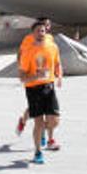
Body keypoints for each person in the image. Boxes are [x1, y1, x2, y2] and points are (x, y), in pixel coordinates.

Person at [18, 20, 62, 164]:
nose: (41, 33)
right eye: (38, 31)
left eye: (43, 30)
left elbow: (57, 63)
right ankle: (38, 152)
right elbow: (22, 77)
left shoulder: (52, 46)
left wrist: (59, 76)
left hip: (49, 87)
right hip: (33, 89)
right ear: (32, 33)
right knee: (38, 122)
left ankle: (44, 132)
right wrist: (35, 76)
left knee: (54, 121)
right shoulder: (28, 51)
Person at [15, 17, 55, 141]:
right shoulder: (28, 39)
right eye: (45, 25)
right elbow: (21, 53)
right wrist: (21, 68)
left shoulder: (49, 38)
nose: (47, 28)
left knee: (49, 113)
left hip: (47, 80)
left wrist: (57, 72)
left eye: (48, 26)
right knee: (33, 109)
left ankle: (48, 137)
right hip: (33, 79)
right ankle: (24, 121)